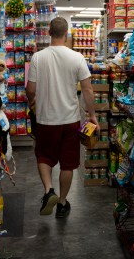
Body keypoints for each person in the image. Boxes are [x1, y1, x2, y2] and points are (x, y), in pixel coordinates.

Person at [26, 17, 99, 218]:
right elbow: (87, 90)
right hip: (70, 120)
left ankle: (48, 189)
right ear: (66, 34)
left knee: (44, 157)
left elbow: (30, 89)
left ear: (49, 32)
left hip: (45, 119)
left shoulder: (38, 58)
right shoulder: (77, 58)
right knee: (68, 164)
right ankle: (62, 202)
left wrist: (31, 102)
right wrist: (91, 115)